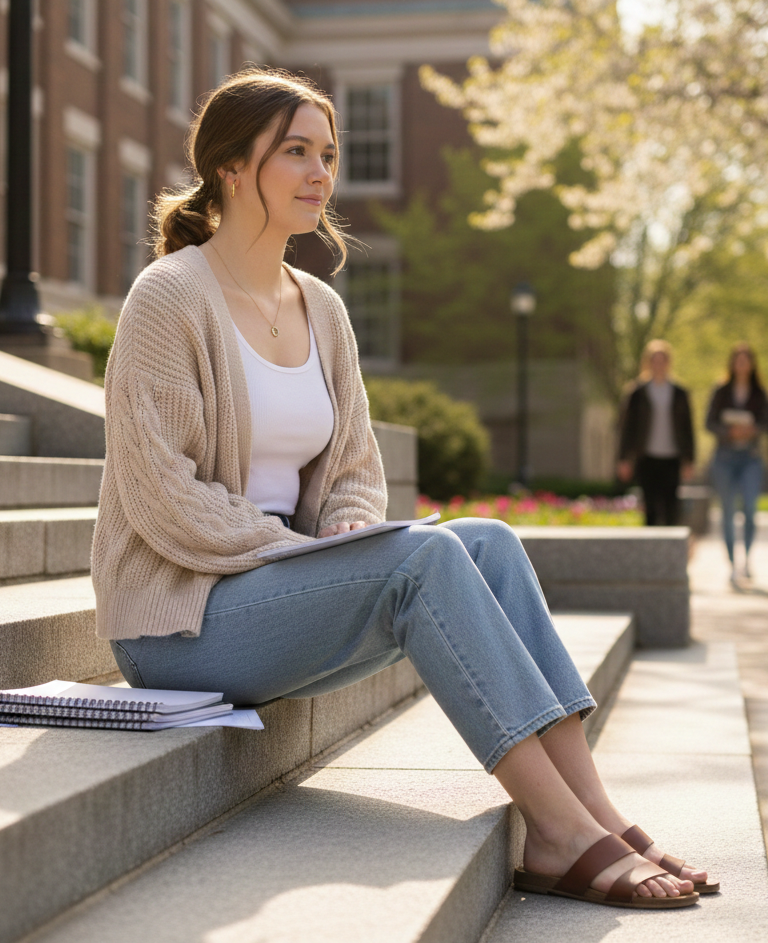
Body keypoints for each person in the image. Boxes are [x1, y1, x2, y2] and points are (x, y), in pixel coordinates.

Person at [92, 68, 715, 908]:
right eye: (296, 154)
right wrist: (306, 556)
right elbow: (162, 490)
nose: (321, 173)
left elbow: (354, 470)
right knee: (420, 559)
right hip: (184, 617)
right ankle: (560, 834)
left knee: (486, 540)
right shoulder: (168, 299)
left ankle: (593, 811)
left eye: (329, 154)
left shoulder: (321, 308)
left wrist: (340, 546)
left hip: (285, 593)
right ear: (232, 168)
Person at [706, 343, 768, 585]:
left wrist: (752, 430)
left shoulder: (759, 392)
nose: (742, 363)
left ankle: (747, 561)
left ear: (752, 363)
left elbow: (766, 422)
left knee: (750, 509)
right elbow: (709, 422)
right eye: (738, 359)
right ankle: (732, 564)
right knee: (728, 512)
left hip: (750, 458)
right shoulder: (721, 390)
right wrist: (728, 432)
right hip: (724, 458)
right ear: (732, 363)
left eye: (746, 359)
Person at [617, 341, 695, 525]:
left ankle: (670, 552)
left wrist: (689, 459)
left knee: (671, 508)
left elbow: (687, 428)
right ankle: (651, 551)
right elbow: (627, 428)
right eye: (655, 360)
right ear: (648, 362)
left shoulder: (679, 393)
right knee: (650, 508)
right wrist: (623, 458)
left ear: (669, 362)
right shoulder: (637, 392)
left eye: (663, 360)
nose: (659, 364)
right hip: (646, 457)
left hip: (672, 457)